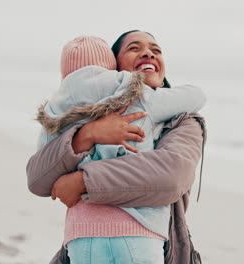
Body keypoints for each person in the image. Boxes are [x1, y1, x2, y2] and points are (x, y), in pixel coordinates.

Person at [26, 30, 206, 264]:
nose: (148, 54)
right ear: (112, 69)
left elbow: (171, 177)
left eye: (156, 50)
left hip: (148, 241)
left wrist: (82, 181)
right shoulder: (84, 120)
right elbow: (36, 178)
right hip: (85, 237)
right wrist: (86, 136)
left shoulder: (183, 120)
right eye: (134, 48)